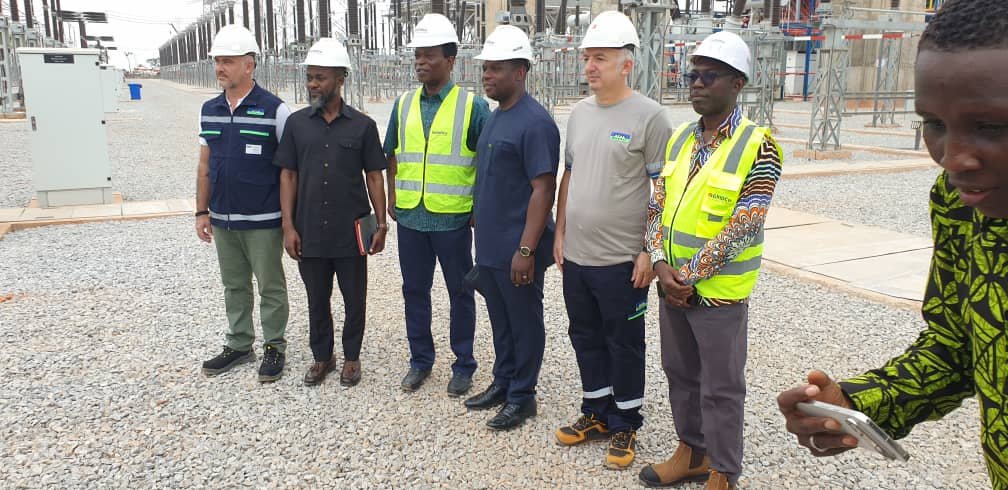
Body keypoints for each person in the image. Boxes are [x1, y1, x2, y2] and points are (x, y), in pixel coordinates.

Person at [777, 0, 1008, 486]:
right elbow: (956, 348)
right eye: (935, 124)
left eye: (991, 127)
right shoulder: (959, 203)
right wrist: (855, 405)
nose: (954, 158)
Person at [637, 31, 783, 490]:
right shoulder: (681, 138)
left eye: (709, 76)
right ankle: (692, 453)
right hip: (672, 286)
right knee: (680, 374)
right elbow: (657, 206)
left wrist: (687, 277)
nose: (697, 83)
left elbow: (745, 223)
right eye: (693, 75)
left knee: (720, 387)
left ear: (738, 83)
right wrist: (660, 264)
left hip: (717, 295)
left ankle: (723, 471)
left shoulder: (759, 146)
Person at [552, 10, 672, 470]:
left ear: (627, 64)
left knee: (624, 342)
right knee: (584, 335)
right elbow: (570, 175)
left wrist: (649, 250)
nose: (590, 67)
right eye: (587, 58)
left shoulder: (650, 117)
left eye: (600, 58)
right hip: (577, 256)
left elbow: (662, 190)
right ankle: (596, 412)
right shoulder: (580, 114)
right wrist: (560, 230)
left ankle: (626, 422)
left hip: (622, 260)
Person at [384, 13, 490, 396]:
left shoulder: (473, 107)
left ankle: (463, 364)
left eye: (429, 55)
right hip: (411, 219)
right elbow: (391, 152)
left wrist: (478, 208)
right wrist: (393, 194)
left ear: (450, 60)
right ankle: (420, 361)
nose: (421, 61)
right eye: (418, 55)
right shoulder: (403, 104)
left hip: (453, 220)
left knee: (460, 292)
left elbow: (487, 162)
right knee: (414, 291)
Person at [273, 38, 388, 387]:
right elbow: (288, 175)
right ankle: (323, 357)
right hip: (310, 229)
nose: (312, 84)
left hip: (351, 231)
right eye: (310, 77)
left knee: (355, 299)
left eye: (320, 78)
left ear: (340, 79)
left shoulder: (363, 126)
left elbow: (374, 176)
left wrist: (381, 224)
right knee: (316, 299)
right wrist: (288, 226)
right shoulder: (297, 125)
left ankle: (351, 358)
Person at [464, 25, 561, 431]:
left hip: (516, 248)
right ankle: (503, 382)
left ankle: (523, 396)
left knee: (523, 323)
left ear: (520, 72)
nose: (487, 75)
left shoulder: (535, 123)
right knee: (501, 321)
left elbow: (543, 189)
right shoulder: (496, 117)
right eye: (485, 68)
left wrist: (526, 251)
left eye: (495, 69)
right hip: (490, 247)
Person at [196, 25, 290, 383]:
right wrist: (201, 211)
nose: (220, 68)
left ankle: (274, 346)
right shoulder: (209, 110)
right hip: (223, 219)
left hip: (263, 219)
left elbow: (290, 169)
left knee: (270, 286)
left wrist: (289, 219)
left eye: (228, 61)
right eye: (217, 61)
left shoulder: (275, 110)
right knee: (234, 285)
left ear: (249, 65)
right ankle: (239, 343)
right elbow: (204, 165)